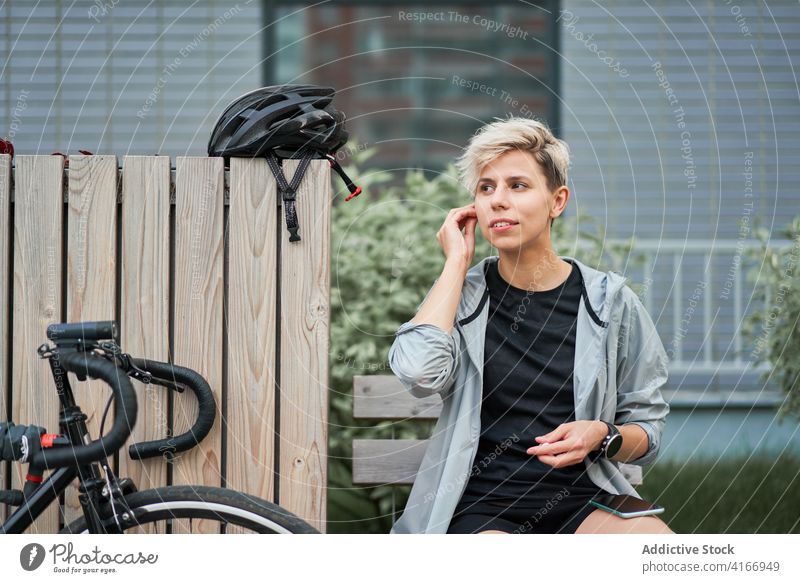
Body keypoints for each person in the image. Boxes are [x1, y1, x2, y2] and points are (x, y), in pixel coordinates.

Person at [387, 116, 673, 534]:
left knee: (657, 550)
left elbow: (648, 430)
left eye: (517, 185)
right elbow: (418, 372)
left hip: (582, 498)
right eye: (486, 188)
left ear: (557, 201)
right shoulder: (464, 295)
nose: (497, 200)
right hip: (482, 506)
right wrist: (455, 262)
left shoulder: (610, 303)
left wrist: (602, 434)